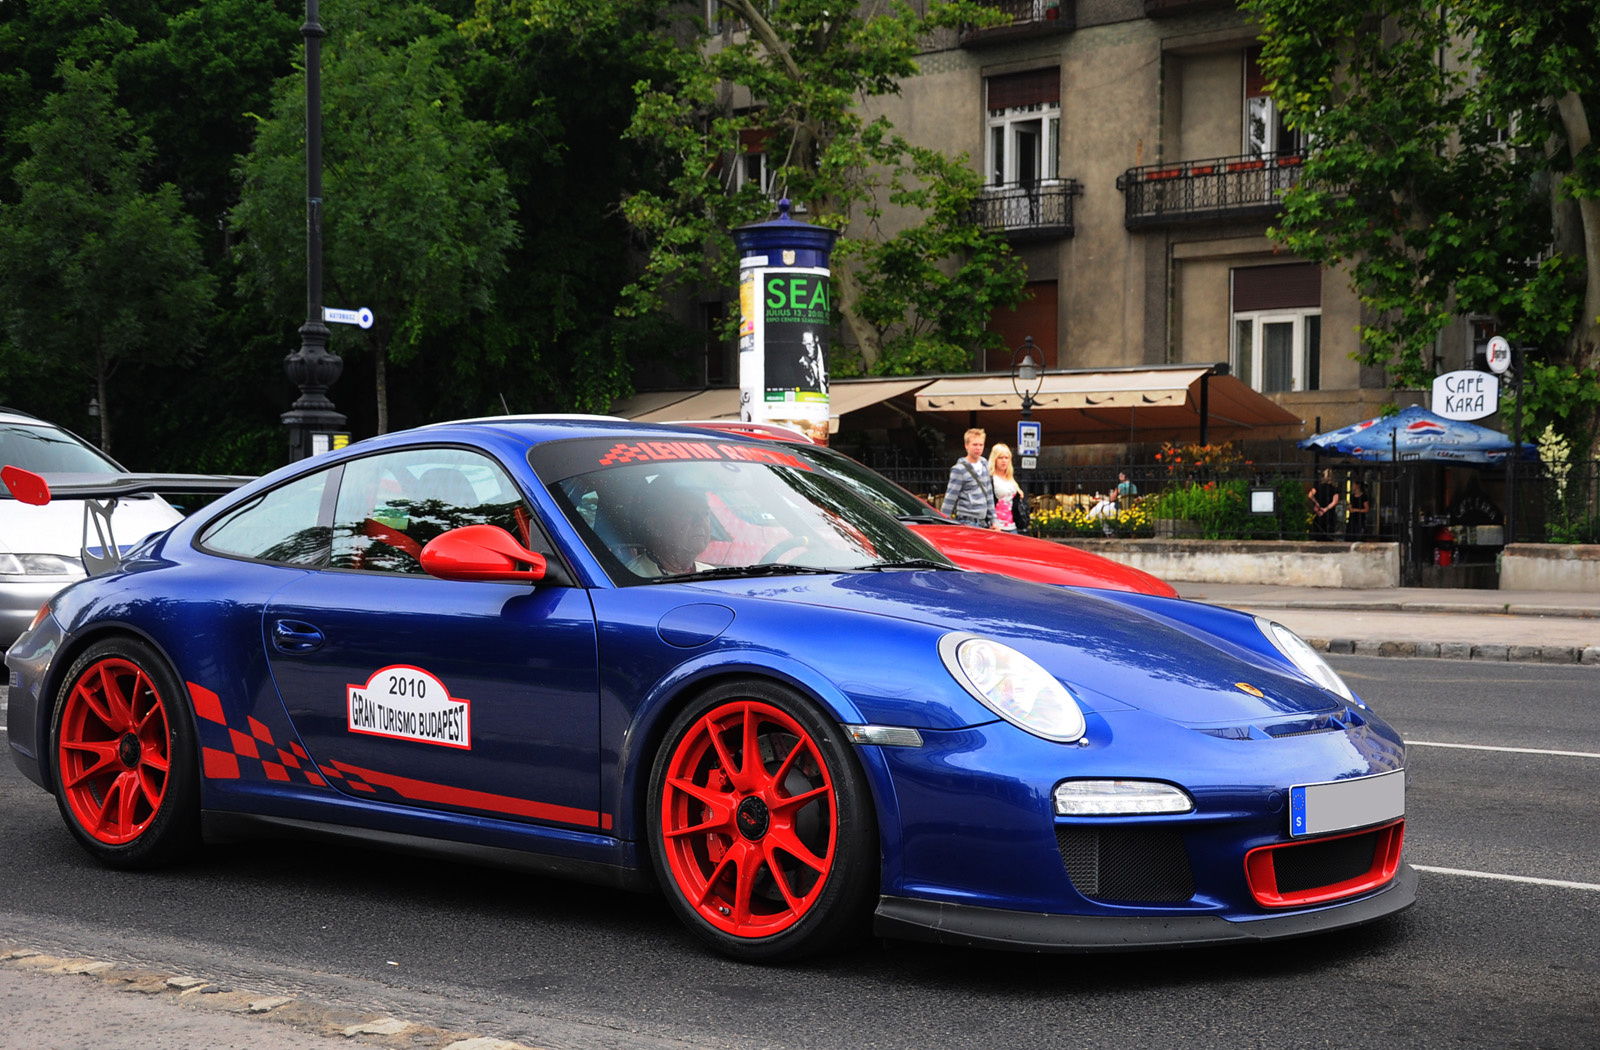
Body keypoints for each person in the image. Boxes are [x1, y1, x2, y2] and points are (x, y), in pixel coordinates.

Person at [626, 484, 715, 577]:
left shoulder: (714, 575)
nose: (700, 521)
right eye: (688, 513)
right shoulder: (631, 580)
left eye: (705, 513)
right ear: (655, 526)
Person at [941, 428, 997, 528]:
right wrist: (943, 522)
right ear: (966, 445)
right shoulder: (959, 469)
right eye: (975, 445)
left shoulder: (985, 465)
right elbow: (950, 497)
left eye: (981, 445)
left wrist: (993, 520)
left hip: (983, 522)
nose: (978, 448)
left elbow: (989, 494)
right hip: (966, 521)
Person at [989, 444, 1025, 533]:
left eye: (1006, 458)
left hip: (1012, 526)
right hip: (996, 527)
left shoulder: (1010, 478)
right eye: (1000, 458)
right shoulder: (991, 478)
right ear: (994, 459)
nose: (1004, 461)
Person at [1308, 468, 1340, 540]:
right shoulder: (1334, 489)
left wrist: (1316, 503)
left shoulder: (1318, 487)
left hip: (1318, 512)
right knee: (1328, 535)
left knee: (1318, 534)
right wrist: (1326, 509)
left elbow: (1310, 495)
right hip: (1329, 514)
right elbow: (1335, 501)